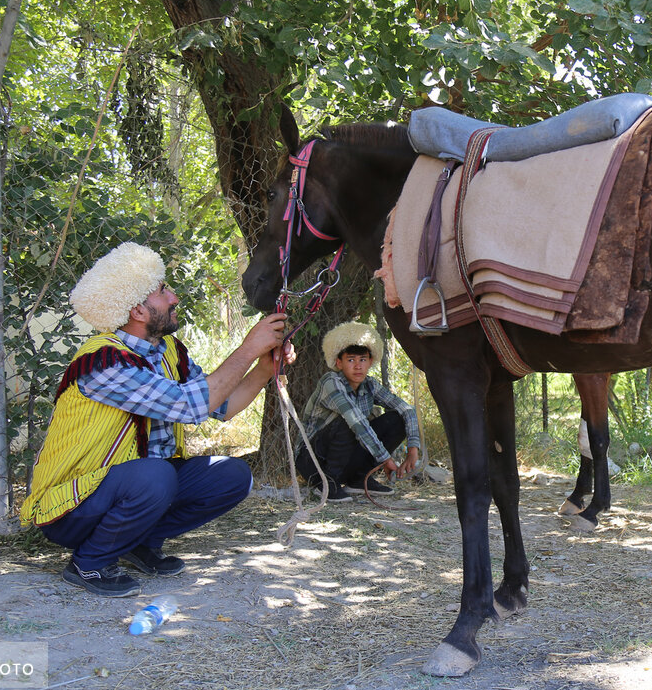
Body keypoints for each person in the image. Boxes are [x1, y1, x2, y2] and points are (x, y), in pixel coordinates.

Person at [22, 242, 291, 597]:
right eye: (163, 291)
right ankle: (90, 564)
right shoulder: (105, 362)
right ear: (137, 310)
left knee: (231, 474)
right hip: (73, 508)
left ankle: (137, 542)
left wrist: (263, 369)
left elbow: (221, 407)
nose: (175, 298)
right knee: (155, 473)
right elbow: (190, 405)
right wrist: (248, 348)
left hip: (134, 485)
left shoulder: (169, 352)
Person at [296, 321, 420, 502]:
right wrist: (386, 459)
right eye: (351, 360)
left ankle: (360, 479)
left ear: (370, 362)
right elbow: (356, 422)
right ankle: (326, 485)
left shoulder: (370, 385)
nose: (358, 366)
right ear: (339, 362)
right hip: (312, 461)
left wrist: (413, 449)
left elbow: (407, 409)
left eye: (362, 360)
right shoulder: (330, 382)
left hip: (345, 460)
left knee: (397, 419)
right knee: (351, 421)